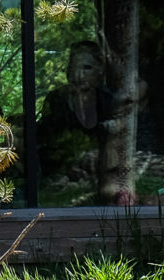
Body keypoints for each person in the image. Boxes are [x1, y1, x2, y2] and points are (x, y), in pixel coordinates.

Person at [37, 40, 112, 181]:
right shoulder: (56, 100)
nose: (79, 75)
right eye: (74, 68)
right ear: (68, 71)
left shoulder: (108, 101)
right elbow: (46, 146)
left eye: (87, 68)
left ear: (100, 70)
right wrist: (66, 167)